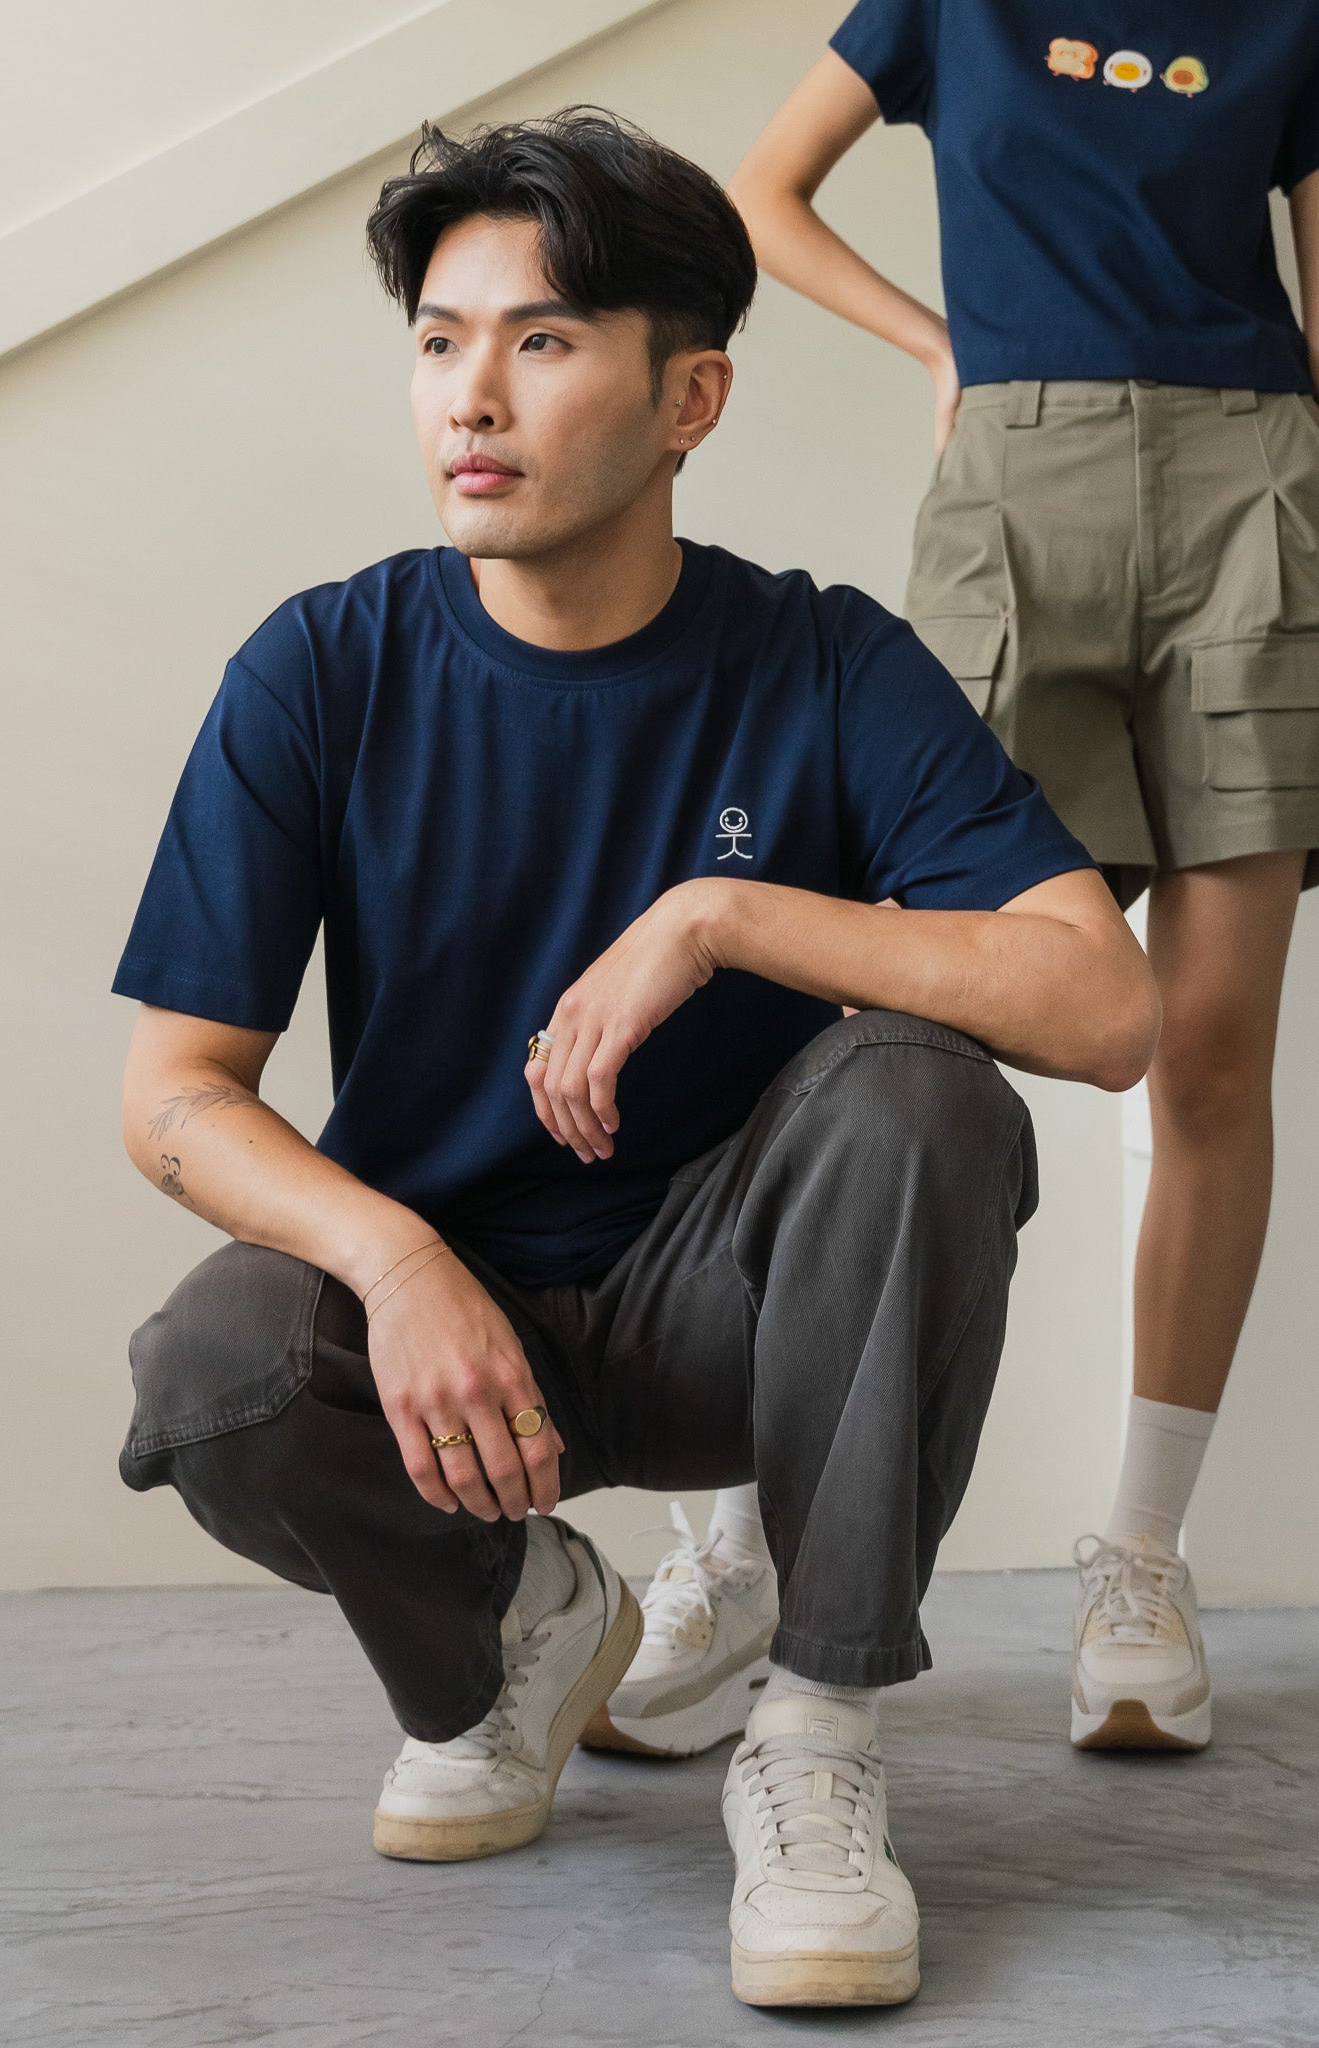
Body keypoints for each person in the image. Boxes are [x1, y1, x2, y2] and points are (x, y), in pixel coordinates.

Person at [112, 110, 1155, 2008]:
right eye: (441, 339)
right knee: (210, 1367)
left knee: (922, 1089)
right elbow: (174, 1094)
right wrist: (399, 1260)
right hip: (457, 1358)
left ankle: (818, 1740)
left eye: (544, 338)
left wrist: (724, 915)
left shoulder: (820, 665)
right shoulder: (324, 670)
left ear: (692, 399)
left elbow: (1104, 1010)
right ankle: (518, 1632)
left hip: (740, 1326)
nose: (472, 397)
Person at [662, 1, 1319, 1762]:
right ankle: (738, 1546)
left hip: (1258, 493)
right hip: (1009, 483)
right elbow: (762, 193)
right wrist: (932, 341)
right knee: (885, 1011)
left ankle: (1141, 1562)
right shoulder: (948, 4)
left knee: (1212, 1050)